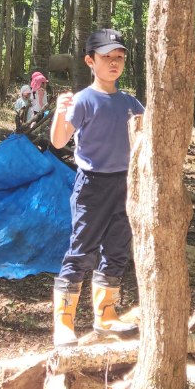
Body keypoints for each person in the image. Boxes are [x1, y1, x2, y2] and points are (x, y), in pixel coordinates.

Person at [49, 28, 144, 346]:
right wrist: (60, 112)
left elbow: (148, 135)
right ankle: (64, 323)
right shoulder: (83, 100)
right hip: (91, 186)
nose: (114, 63)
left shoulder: (130, 102)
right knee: (81, 252)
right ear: (90, 61)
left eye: (119, 57)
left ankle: (106, 315)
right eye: (106, 57)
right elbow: (59, 140)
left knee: (117, 251)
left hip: (126, 186)